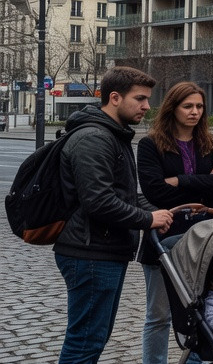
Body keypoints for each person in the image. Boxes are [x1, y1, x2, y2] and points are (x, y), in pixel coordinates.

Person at [54, 66, 175, 364]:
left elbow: (122, 195)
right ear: (115, 98)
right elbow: (99, 201)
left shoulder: (112, 134)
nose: (147, 106)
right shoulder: (95, 138)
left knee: (93, 338)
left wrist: (155, 211)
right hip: (91, 251)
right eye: (140, 99)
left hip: (103, 249)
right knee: (85, 341)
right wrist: (148, 220)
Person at [137, 81, 213, 364]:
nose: (195, 112)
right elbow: (155, 191)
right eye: (188, 106)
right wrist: (206, 183)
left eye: (199, 106)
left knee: (205, 309)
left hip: (205, 237)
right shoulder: (151, 145)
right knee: (159, 315)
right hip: (164, 237)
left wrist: (180, 181)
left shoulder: (212, 143)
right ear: (173, 108)